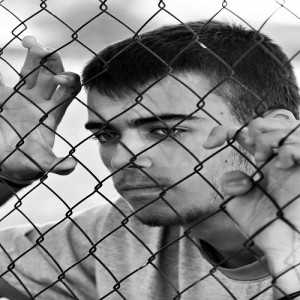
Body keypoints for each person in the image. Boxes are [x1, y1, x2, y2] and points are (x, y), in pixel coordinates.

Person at [0, 20, 299, 300]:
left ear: (270, 132)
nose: (122, 158)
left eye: (165, 130)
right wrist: (6, 175)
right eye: (107, 135)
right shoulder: (118, 233)